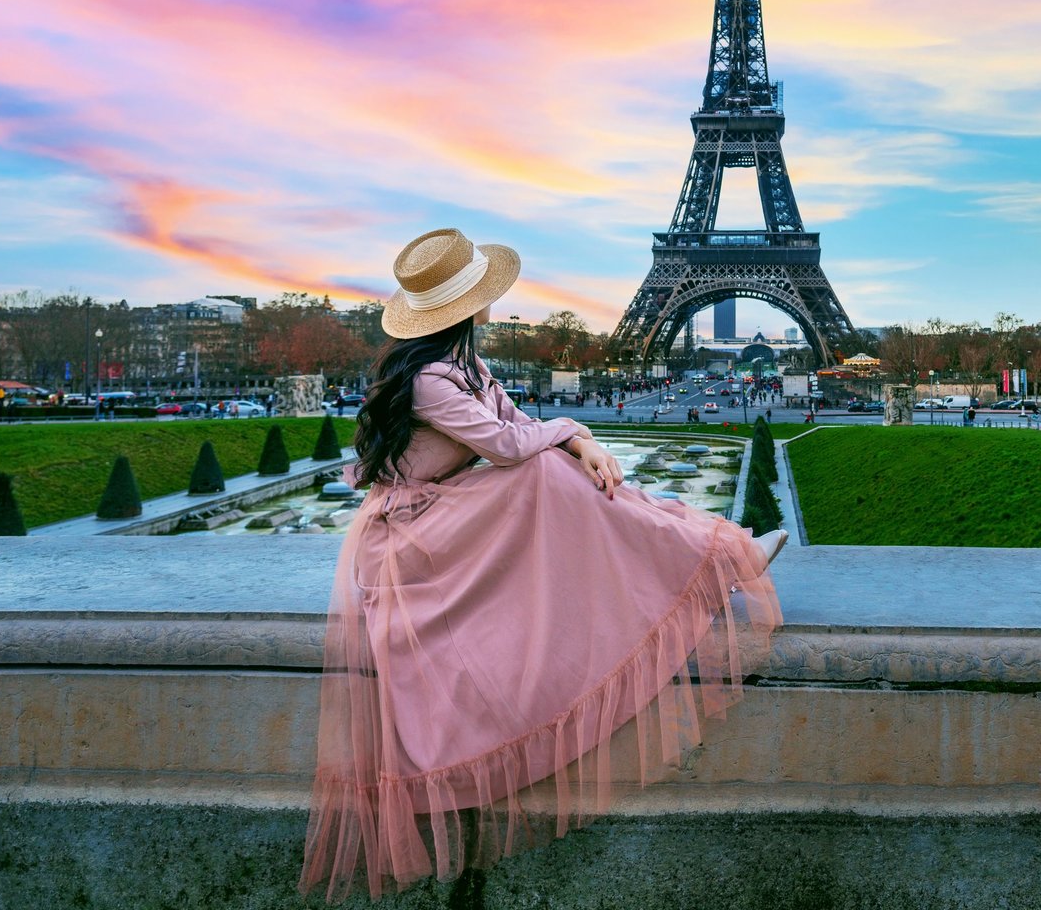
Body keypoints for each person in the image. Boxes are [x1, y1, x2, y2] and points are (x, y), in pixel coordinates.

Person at [299, 229, 786, 902]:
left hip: (448, 513)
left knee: (558, 467)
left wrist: (581, 442)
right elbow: (507, 445)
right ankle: (715, 556)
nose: (493, 298)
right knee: (543, 473)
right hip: (415, 536)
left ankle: (714, 550)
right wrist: (574, 436)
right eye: (483, 290)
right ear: (465, 306)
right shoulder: (431, 382)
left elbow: (522, 426)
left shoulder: (465, 368)